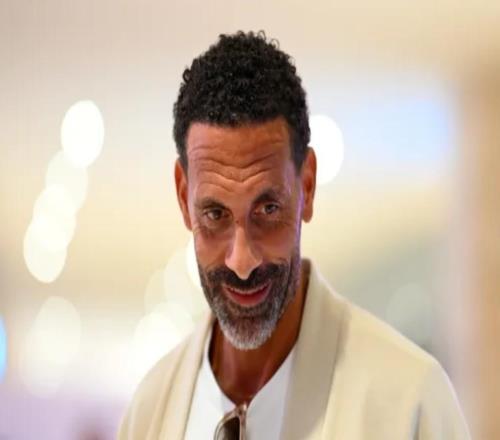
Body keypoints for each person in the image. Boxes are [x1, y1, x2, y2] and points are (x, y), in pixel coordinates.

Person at [118, 31, 470, 440]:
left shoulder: (408, 399)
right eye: (215, 214)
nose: (241, 261)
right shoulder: (149, 413)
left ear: (307, 186)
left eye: (268, 210)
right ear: (183, 197)